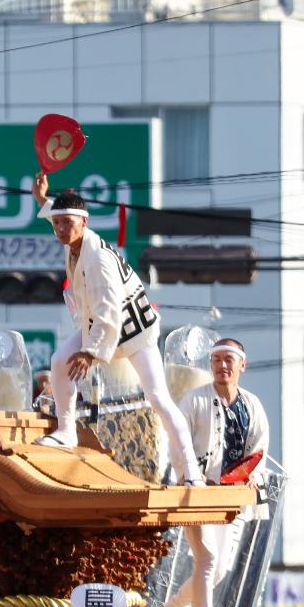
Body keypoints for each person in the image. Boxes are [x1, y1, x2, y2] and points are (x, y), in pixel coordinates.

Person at [30, 183, 201, 486]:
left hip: (135, 329)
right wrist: (42, 200)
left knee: (159, 399)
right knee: (59, 361)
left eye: (66, 223)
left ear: (84, 221)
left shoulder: (98, 259)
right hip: (96, 325)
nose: (59, 229)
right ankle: (67, 431)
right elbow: (59, 215)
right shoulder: (74, 242)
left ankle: (192, 471)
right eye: (55, 223)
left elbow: (111, 308)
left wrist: (90, 352)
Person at [164, 336, 268, 607]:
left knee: (218, 569)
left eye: (228, 360)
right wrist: (192, 478)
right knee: (207, 559)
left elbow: (259, 449)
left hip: (233, 498)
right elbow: (177, 446)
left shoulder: (252, 405)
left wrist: (252, 477)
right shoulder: (194, 400)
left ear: (241, 366)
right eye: (216, 360)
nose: (222, 366)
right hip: (198, 495)